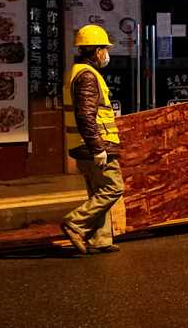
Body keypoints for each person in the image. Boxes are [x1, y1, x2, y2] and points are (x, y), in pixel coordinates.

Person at [61, 24, 125, 255]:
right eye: (105, 49)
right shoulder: (88, 77)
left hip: (82, 146)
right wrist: (98, 148)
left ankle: (100, 240)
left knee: (98, 190)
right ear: (97, 51)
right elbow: (86, 115)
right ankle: (75, 222)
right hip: (94, 146)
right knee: (113, 188)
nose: (107, 54)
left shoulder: (76, 72)